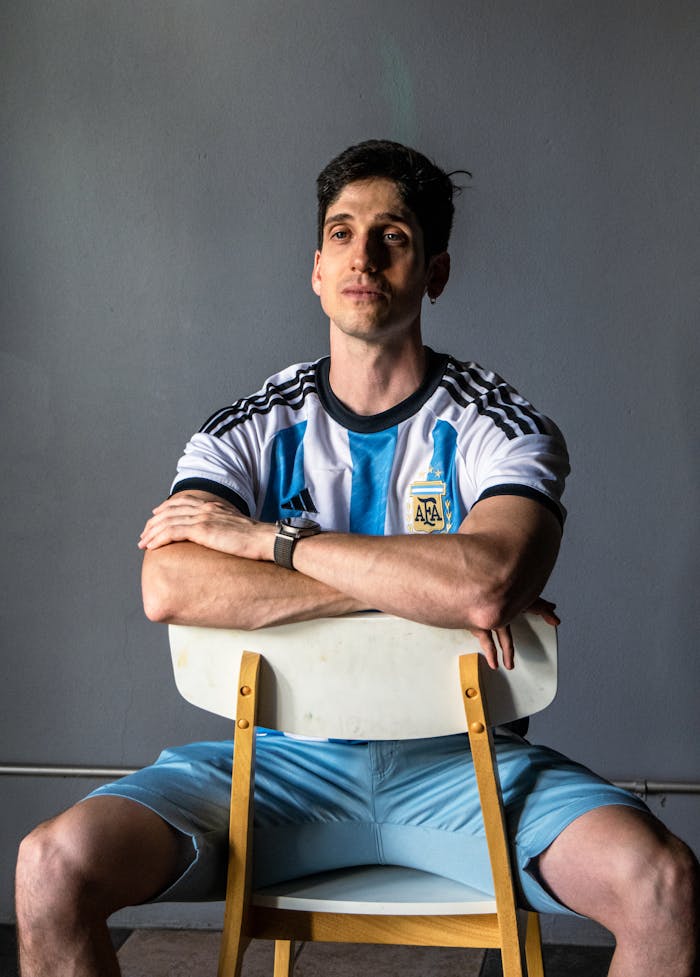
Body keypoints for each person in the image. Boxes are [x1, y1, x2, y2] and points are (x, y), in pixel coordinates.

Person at [16, 140, 698, 977]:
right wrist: (418, 589)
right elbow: (169, 581)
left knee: (662, 885)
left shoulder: (500, 422)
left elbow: (483, 581)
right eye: (342, 233)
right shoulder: (250, 425)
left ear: (435, 271)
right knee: (51, 867)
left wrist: (275, 542)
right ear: (315, 267)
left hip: (465, 769)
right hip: (274, 771)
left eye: (394, 236)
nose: (363, 256)